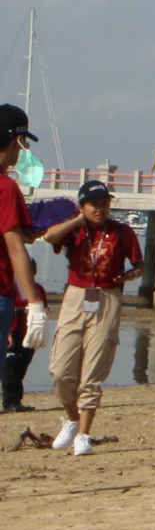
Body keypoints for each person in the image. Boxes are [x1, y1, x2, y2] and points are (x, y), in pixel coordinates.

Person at [43, 180, 142, 454]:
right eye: (94, 204)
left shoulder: (121, 231)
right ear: (83, 206)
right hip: (76, 295)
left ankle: (84, 434)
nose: (100, 209)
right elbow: (49, 237)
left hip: (107, 297)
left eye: (104, 204)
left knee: (92, 371)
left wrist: (132, 274)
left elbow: (140, 264)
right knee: (60, 371)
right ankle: (72, 419)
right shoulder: (74, 230)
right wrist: (77, 220)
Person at [0, 107, 48, 398]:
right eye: (23, 142)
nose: (24, 149)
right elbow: (15, 247)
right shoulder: (6, 188)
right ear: (16, 140)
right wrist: (35, 304)